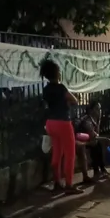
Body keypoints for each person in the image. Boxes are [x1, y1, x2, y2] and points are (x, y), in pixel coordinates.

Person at [40, 59, 80, 194]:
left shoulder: (46, 90)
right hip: (63, 122)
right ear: (56, 73)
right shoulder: (61, 87)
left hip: (50, 123)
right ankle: (69, 184)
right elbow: (74, 100)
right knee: (69, 154)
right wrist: (68, 103)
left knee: (57, 153)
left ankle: (57, 182)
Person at [77, 101, 110, 180]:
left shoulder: (96, 119)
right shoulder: (87, 121)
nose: (99, 111)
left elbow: (96, 135)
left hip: (88, 139)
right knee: (95, 145)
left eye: (100, 109)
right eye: (97, 109)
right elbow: (93, 135)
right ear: (91, 110)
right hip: (79, 140)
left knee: (97, 144)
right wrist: (106, 139)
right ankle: (98, 170)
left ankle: (101, 170)